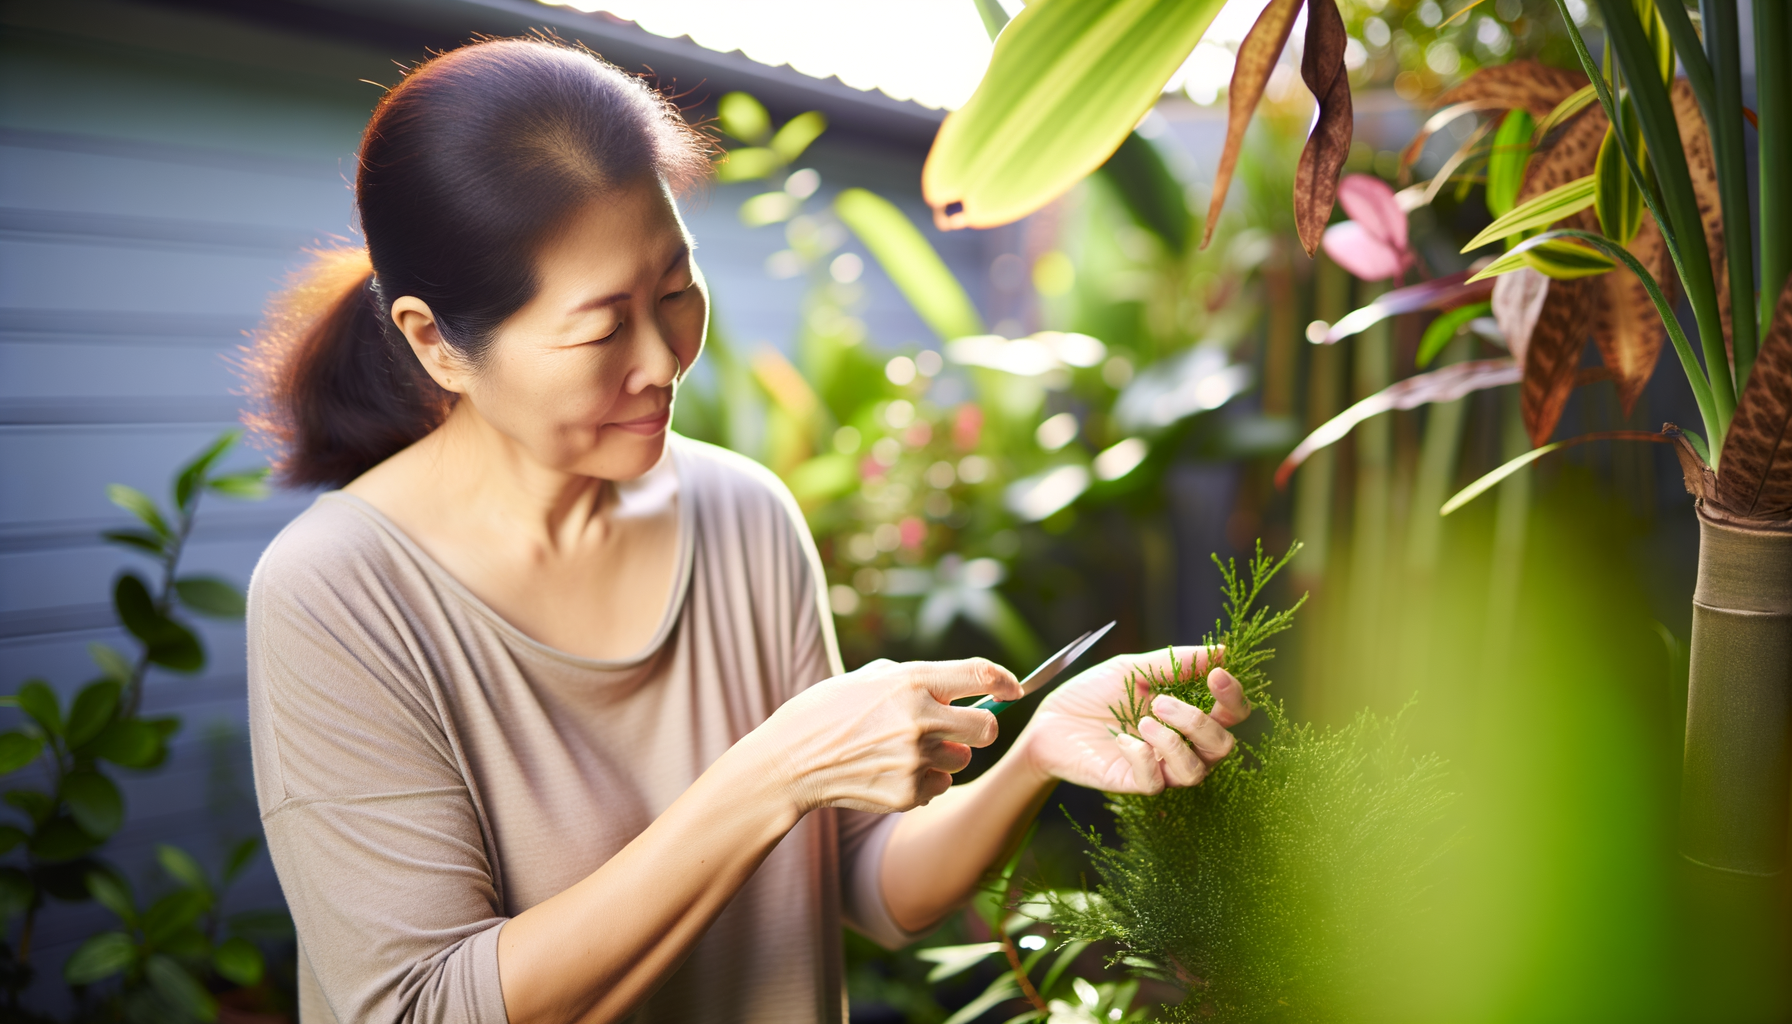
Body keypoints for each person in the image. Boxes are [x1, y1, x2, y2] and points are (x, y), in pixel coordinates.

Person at [242, 36, 1250, 1024]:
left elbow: (862, 883)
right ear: (436, 342)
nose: (661, 358)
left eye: (677, 288)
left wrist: (1036, 752)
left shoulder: (741, 513)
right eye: (600, 327)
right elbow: (423, 1006)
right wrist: (773, 773)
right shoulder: (337, 593)